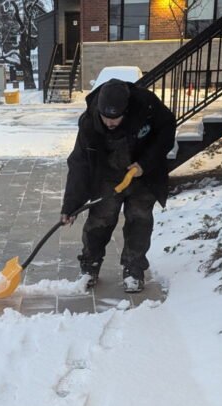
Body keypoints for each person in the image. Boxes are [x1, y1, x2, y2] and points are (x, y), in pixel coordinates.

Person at [61, 78, 176, 293]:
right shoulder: (89, 123)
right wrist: (71, 205)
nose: (110, 123)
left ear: (127, 109)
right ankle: (90, 266)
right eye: (106, 117)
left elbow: (166, 131)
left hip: (142, 175)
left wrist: (145, 164)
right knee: (100, 221)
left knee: (139, 220)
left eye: (115, 118)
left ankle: (134, 269)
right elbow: (79, 164)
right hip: (108, 176)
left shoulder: (147, 107)